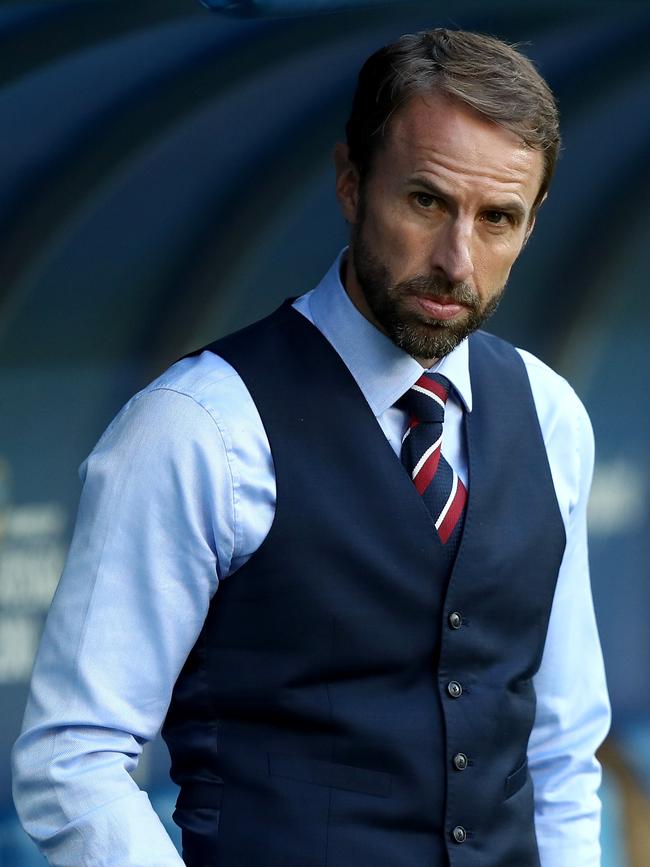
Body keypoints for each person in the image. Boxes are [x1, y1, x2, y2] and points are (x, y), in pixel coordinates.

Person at [12, 27, 610, 867]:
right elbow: (71, 762)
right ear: (349, 182)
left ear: (532, 223)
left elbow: (560, 743)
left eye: (498, 219)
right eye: (427, 201)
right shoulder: (197, 428)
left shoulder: (552, 414)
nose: (457, 260)